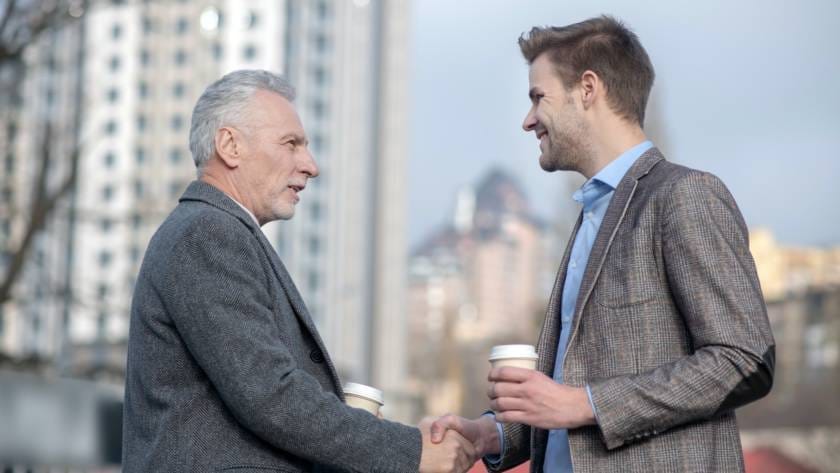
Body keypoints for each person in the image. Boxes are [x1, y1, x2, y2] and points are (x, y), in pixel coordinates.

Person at [431, 16, 775, 472]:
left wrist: (586, 404)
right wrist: (492, 432)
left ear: (588, 89)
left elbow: (745, 360)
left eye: (538, 97)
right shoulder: (592, 213)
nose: (528, 119)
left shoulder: (683, 196)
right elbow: (566, 395)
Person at [122, 70, 476, 473]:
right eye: (291, 144)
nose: (311, 165)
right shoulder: (208, 232)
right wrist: (410, 452)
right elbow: (270, 395)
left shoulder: (216, 231)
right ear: (230, 145)